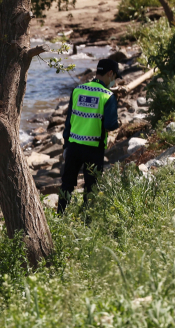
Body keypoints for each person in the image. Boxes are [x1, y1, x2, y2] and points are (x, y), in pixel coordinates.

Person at [57, 58, 122, 214]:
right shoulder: (107, 96)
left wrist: (66, 146)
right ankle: (87, 220)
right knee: (91, 186)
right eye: (114, 77)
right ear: (110, 73)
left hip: (73, 146)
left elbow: (69, 122)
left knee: (67, 183)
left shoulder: (78, 90)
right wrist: (117, 122)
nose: (114, 81)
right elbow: (110, 125)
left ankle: (60, 215)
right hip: (93, 149)